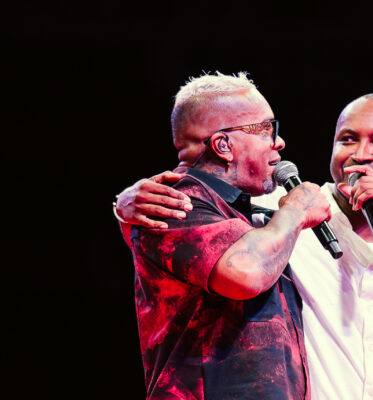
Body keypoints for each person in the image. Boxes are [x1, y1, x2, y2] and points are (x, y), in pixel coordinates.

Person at [116, 92, 373, 400]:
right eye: (347, 139)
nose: (361, 154)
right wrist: (126, 206)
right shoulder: (280, 213)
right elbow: (184, 232)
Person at [117, 71, 332, 399]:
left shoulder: (245, 211)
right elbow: (245, 274)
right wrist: (296, 211)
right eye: (266, 129)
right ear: (223, 145)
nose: (279, 142)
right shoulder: (177, 202)